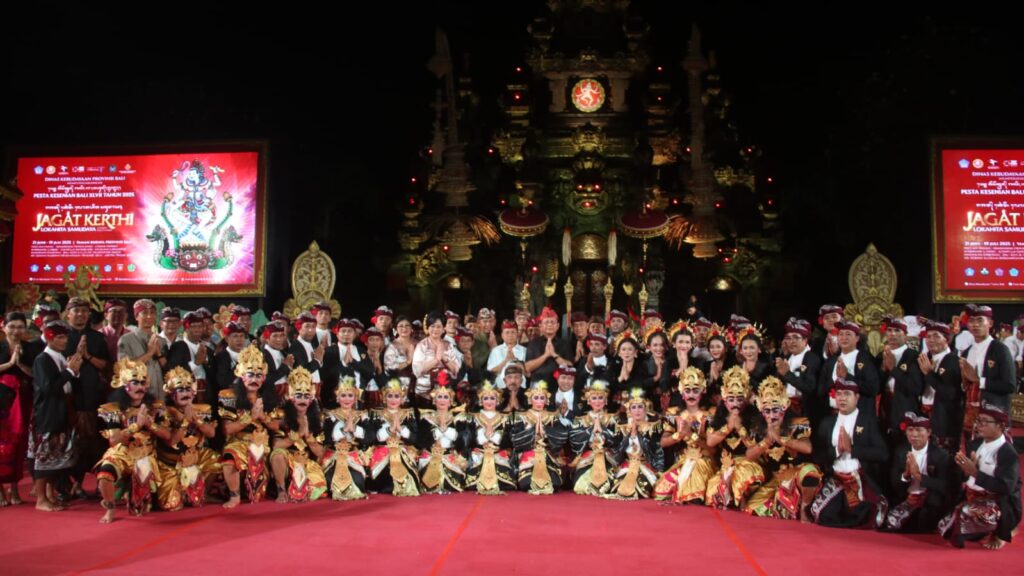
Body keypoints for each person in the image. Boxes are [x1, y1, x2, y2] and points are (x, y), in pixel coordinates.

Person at [940, 403, 1021, 549]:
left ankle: (1002, 530)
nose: (979, 425)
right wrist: (965, 471)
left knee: (964, 516)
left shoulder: (1007, 453)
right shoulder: (975, 444)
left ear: (1000, 426)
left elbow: (1006, 488)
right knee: (943, 525)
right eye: (978, 420)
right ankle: (978, 530)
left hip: (996, 503)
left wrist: (975, 473)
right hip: (971, 498)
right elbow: (967, 478)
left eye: (985, 422)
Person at [810, 378, 888, 529]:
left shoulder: (868, 421)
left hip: (860, 477)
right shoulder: (827, 423)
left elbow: (883, 454)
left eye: (847, 394)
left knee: (865, 512)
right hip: (836, 477)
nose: (842, 398)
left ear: (857, 397)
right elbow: (817, 455)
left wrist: (852, 449)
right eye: (839, 394)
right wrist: (837, 451)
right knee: (820, 513)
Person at [743, 376, 821, 522]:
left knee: (810, 472)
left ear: (784, 408)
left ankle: (805, 508)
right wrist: (767, 441)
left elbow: (808, 448)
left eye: (775, 410)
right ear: (761, 411)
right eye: (767, 411)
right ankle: (786, 507)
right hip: (776, 479)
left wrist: (781, 439)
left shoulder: (798, 423)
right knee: (752, 507)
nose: (772, 416)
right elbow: (749, 455)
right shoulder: (759, 429)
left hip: (796, 475)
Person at [95, 358, 160, 523]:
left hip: (145, 455)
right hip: (122, 452)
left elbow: (167, 436)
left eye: (143, 383)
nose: (140, 387)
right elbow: (114, 440)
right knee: (104, 476)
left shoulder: (154, 408)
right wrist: (136, 425)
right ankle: (110, 507)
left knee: (139, 510)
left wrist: (151, 425)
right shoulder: (114, 409)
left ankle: (130, 492)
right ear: (124, 385)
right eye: (135, 383)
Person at [219, 344, 281, 508]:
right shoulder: (229, 396)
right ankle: (234, 496)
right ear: (241, 375)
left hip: (261, 444)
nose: (255, 379)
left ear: (264, 378)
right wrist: (250, 418)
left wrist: (263, 417)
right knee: (229, 456)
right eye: (251, 375)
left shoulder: (268, 397)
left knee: (258, 494)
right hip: (238, 442)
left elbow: (276, 426)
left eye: (259, 375)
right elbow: (227, 429)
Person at [152, 366, 220, 512]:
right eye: (180, 390)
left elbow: (212, 433)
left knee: (215, 459)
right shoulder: (164, 413)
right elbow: (172, 441)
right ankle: (183, 492)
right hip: (170, 464)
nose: (185, 393)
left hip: (193, 458)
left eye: (188, 389)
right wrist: (185, 422)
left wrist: (197, 421)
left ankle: (203, 492)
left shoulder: (201, 410)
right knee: (172, 505)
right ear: (171, 394)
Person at [31, 320, 82, 512]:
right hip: (48, 413)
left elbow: (67, 384)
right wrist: (69, 371)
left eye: (65, 337)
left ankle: (51, 495)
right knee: (44, 457)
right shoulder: (42, 360)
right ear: (49, 339)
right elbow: (49, 388)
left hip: (63, 411)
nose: (64, 341)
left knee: (56, 456)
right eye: (60, 337)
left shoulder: (60, 357)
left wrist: (73, 371)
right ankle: (41, 499)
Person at [705, 366, 764, 509]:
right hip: (727, 464)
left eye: (739, 399)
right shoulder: (719, 416)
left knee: (741, 477)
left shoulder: (754, 417)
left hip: (748, 463)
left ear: (746, 399)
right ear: (725, 400)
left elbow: (755, 448)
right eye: (731, 399)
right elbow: (710, 441)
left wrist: (740, 428)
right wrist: (729, 427)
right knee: (712, 492)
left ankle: (741, 499)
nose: (735, 403)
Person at [654, 367, 716, 504]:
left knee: (693, 494)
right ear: (682, 392)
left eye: (695, 391)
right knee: (660, 490)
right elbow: (663, 442)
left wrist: (692, 436)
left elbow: (713, 450)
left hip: (704, 461)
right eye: (687, 391)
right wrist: (679, 435)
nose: (691, 395)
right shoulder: (674, 414)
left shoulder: (710, 415)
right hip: (684, 460)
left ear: (703, 391)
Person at [884, 412, 951, 532]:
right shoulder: (900, 451)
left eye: (919, 430)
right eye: (910, 430)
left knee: (923, 523)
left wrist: (919, 477)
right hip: (907, 498)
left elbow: (945, 486)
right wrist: (905, 476)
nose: (914, 434)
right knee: (891, 524)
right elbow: (893, 483)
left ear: (929, 432)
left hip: (929, 501)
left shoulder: (941, 455)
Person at [269, 367, 327, 503]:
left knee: (316, 490)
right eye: (299, 396)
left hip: (307, 462)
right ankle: (281, 491)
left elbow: (320, 452)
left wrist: (308, 437)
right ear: (291, 397)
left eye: (306, 396)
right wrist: (298, 434)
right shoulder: (282, 416)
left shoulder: (318, 419)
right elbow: (276, 445)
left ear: (311, 399)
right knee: (277, 454)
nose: (302, 400)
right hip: (288, 460)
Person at [510, 381, 569, 494]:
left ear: (546, 400)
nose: (539, 401)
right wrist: (533, 433)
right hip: (528, 452)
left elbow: (562, 435)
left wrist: (546, 433)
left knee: (555, 482)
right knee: (526, 482)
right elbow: (515, 437)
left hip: (548, 453)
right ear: (530, 400)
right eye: (536, 398)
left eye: (542, 398)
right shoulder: (522, 416)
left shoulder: (553, 416)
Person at [605, 388, 663, 500]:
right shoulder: (622, 428)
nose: (637, 411)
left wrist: (639, 435)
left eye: (640, 407)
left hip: (645, 466)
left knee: (641, 486)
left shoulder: (653, 427)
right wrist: (630, 434)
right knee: (616, 485)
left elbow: (656, 450)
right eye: (634, 407)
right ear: (629, 411)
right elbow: (617, 450)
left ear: (645, 409)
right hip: (627, 465)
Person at [0, 312, 33, 506]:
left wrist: (20, 364)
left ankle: (14, 488)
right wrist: (10, 364)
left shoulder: (31, 348)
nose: (16, 331)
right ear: (3, 327)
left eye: (20, 327)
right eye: (12, 326)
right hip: (2, 400)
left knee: (19, 444)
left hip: (23, 399)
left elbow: (36, 373)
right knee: (2, 445)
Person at [568, 379, 619, 497]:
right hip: (588, 456)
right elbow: (574, 439)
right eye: (594, 398)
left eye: (600, 398)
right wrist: (591, 429)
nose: (597, 401)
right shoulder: (581, 419)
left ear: (605, 400)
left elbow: (618, 440)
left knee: (610, 482)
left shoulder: (613, 419)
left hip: (607, 456)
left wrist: (603, 430)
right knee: (580, 484)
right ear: (589, 400)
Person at [917, 321, 963, 451]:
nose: (931, 340)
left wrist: (929, 374)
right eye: (928, 336)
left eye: (936, 336)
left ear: (946, 340)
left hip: (944, 419)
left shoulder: (953, 361)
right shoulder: (925, 358)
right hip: (923, 414)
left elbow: (950, 393)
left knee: (942, 456)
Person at [464, 381, 516, 495]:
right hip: (479, 452)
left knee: (505, 479)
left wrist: (494, 437)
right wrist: (483, 437)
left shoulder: (504, 418)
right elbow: (469, 439)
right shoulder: (473, 417)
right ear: (481, 401)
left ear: (498, 401)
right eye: (486, 398)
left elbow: (508, 440)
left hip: (498, 452)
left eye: (492, 398)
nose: (489, 401)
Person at [417, 378, 467, 493]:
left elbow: (462, 442)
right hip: (430, 457)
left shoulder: (458, 418)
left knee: (452, 483)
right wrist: (439, 431)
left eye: (446, 397)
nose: (442, 400)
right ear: (434, 400)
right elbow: (422, 442)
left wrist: (447, 430)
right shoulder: (426, 418)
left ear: (451, 401)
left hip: (449, 457)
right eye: (439, 397)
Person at [116, 299, 164, 400]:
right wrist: (149, 354)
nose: (149, 316)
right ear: (136, 316)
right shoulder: (126, 340)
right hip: (138, 397)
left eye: (152, 313)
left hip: (160, 394)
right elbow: (124, 369)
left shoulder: (161, 340)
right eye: (144, 313)